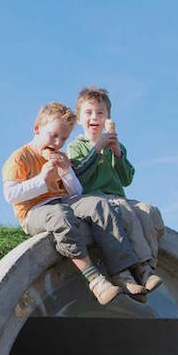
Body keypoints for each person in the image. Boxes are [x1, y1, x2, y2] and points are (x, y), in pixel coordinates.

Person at [2, 101, 146, 305]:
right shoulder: (20, 157)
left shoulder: (61, 155)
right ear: (37, 129)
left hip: (64, 201)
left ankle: (122, 272)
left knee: (98, 204)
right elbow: (11, 195)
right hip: (34, 211)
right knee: (61, 216)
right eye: (53, 136)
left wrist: (65, 171)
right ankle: (95, 279)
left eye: (63, 138)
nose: (58, 143)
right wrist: (42, 180)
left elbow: (76, 191)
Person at [67, 87, 164, 292]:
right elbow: (79, 178)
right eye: (89, 112)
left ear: (108, 118)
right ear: (78, 119)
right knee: (126, 213)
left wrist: (117, 152)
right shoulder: (76, 147)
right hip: (95, 199)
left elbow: (127, 178)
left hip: (118, 197)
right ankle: (138, 268)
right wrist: (97, 148)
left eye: (100, 113)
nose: (95, 117)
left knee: (148, 211)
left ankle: (149, 269)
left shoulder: (115, 146)